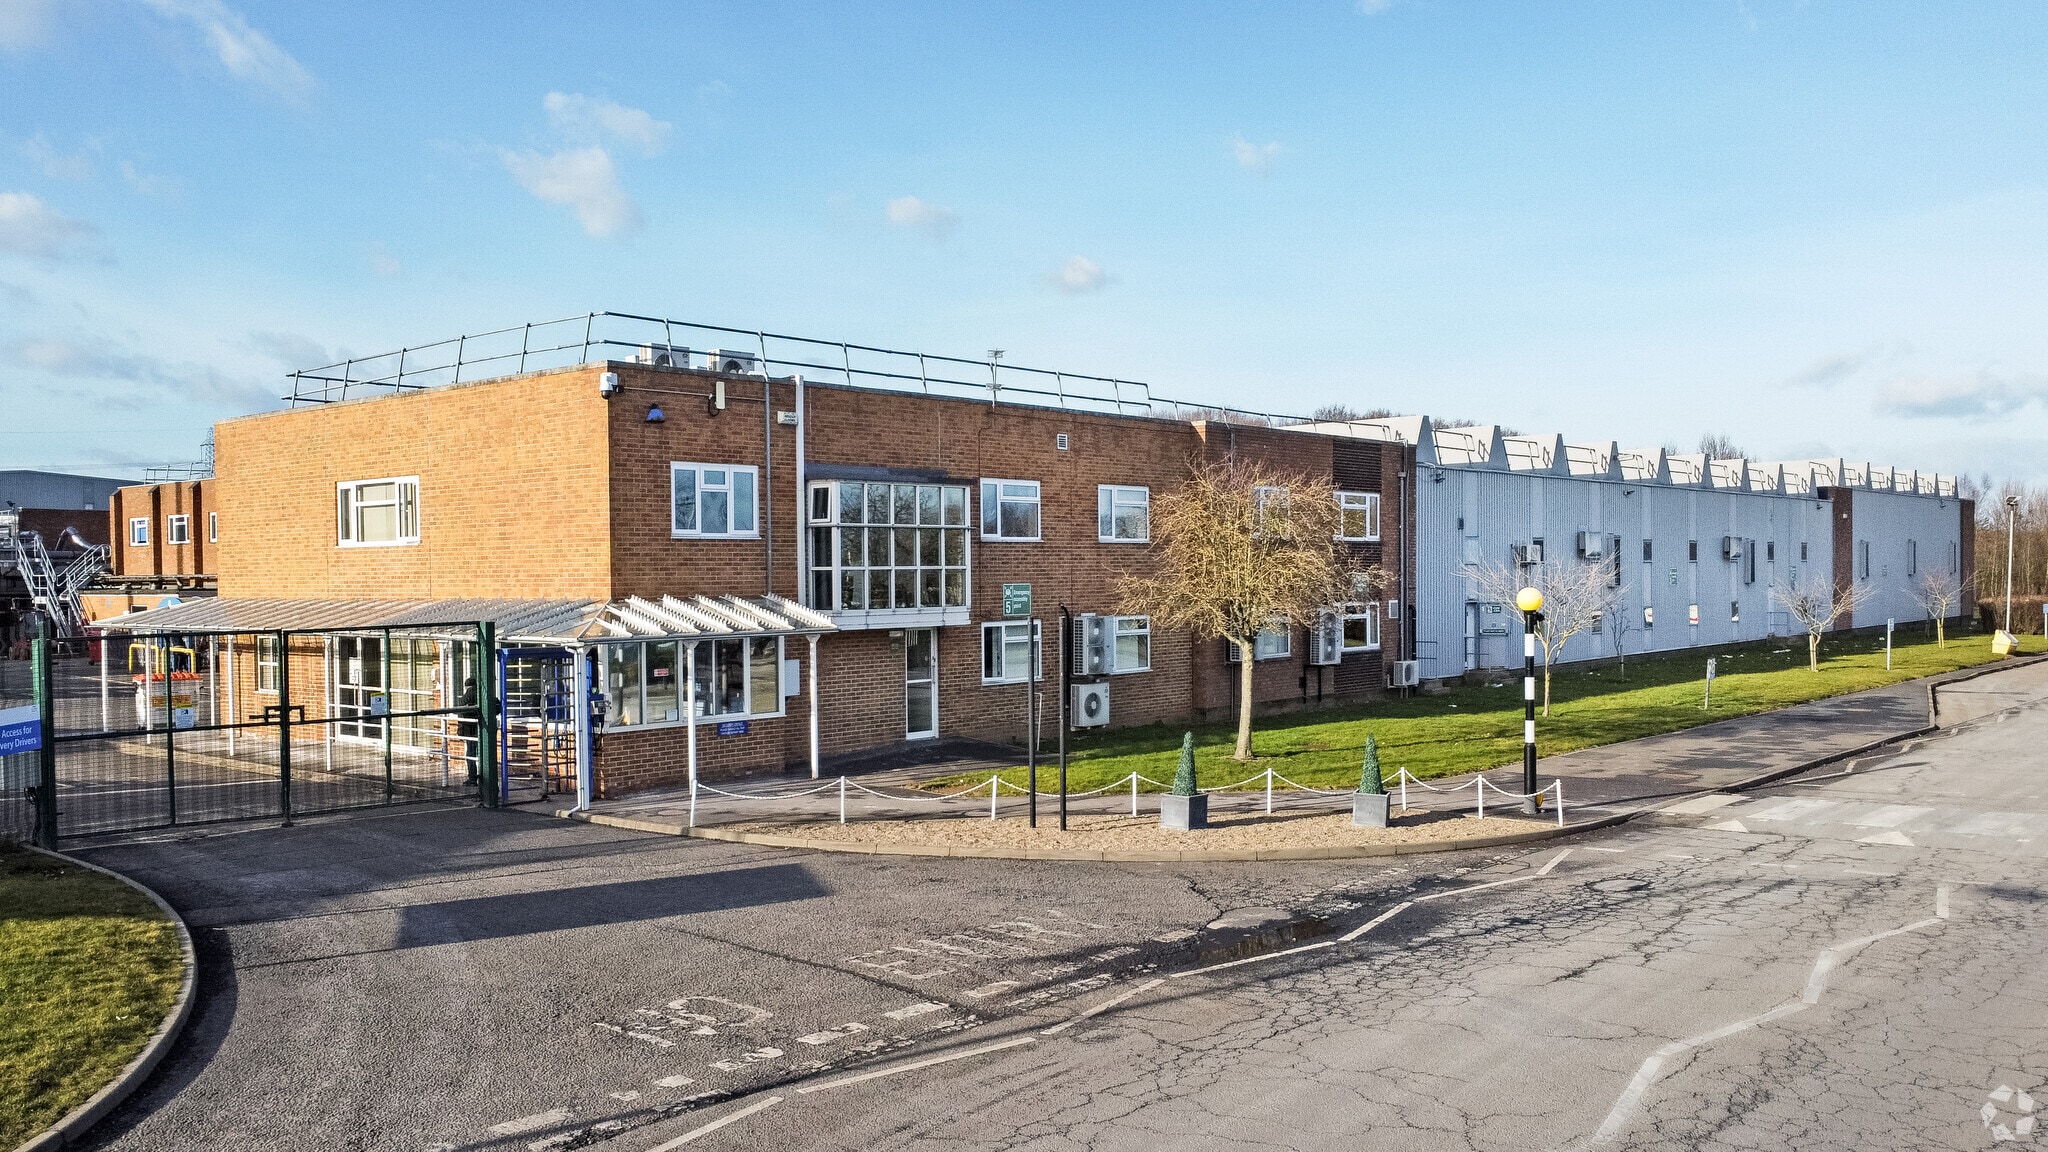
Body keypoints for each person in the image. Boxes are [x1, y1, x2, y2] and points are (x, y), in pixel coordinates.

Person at [458, 674, 479, 784]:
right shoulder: (483, 694)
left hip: (470, 730)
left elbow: (461, 707)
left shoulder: (468, 695)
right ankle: (484, 778)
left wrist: (460, 731)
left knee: (471, 754)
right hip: (482, 730)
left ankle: (472, 778)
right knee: (482, 755)